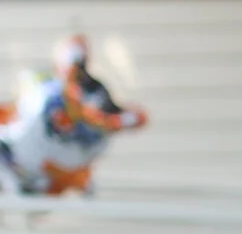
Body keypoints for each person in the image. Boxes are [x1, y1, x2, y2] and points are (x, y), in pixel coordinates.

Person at [0, 33, 147, 196]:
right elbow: (14, 105)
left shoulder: (94, 143)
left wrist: (113, 120)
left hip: (29, 182)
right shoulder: (43, 84)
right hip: (8, 152)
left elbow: (70, 177)